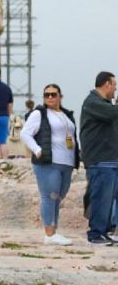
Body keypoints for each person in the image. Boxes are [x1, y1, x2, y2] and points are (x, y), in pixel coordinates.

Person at [21, 84, 80, 246]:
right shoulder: (39, 113)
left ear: (60, 96)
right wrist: (37, 150)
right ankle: (49, 233)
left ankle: (54, 230)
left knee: (58, 197)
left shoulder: (66, 115)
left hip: (66, 163)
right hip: (49, 162)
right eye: (46, 95)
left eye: (53, 95)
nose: (50, 98)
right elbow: (25, 133)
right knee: (50, 195)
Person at [79, 71, 118, 245]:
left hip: (110, 159)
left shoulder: (105, 104)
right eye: (114, 85)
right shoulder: (93, 102)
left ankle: (105, 231)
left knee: (109, 199)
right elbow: (111, 114)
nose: (115, 89)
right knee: (101, 197)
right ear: (106, 84)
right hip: (100, 160)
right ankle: (95, 234)